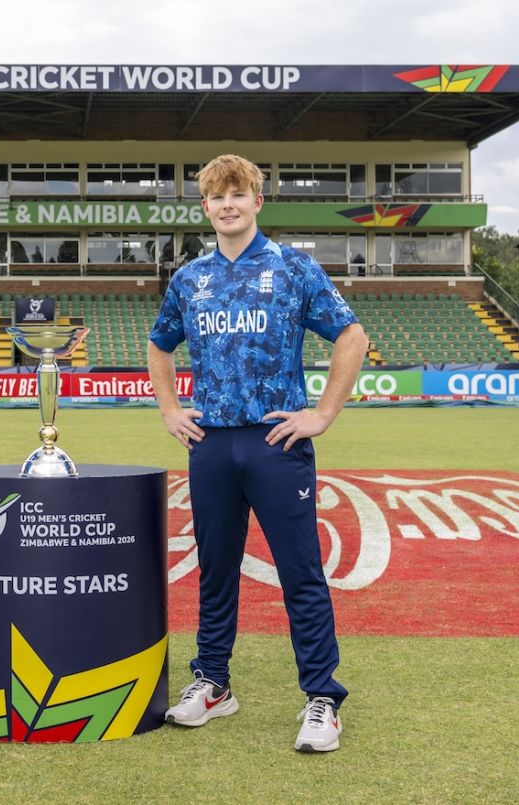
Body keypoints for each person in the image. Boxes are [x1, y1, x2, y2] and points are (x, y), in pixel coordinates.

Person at [146, 154, 367, 753]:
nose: (227, 204)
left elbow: (352, 335)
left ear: (257, 201)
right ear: (204, 208)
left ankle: (323, 697)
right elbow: (159, 344)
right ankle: (213, 683)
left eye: (237, 194)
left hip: (276, 441)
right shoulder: (190, 278)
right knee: (215, 570)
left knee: (300, 571)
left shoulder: (294, 268)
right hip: (211, 443)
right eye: (216, 197)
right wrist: (170, 409)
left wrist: (322, 414)